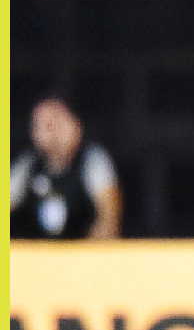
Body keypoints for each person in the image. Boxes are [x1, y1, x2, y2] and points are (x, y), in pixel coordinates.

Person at [11, 96, 122, 239]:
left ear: (75, 125)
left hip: (83, 255)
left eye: (55, 123)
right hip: (36, 256)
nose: (49, 133)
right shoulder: (27, 165)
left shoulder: (92, 159)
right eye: (40, 125)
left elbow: (109, 220)